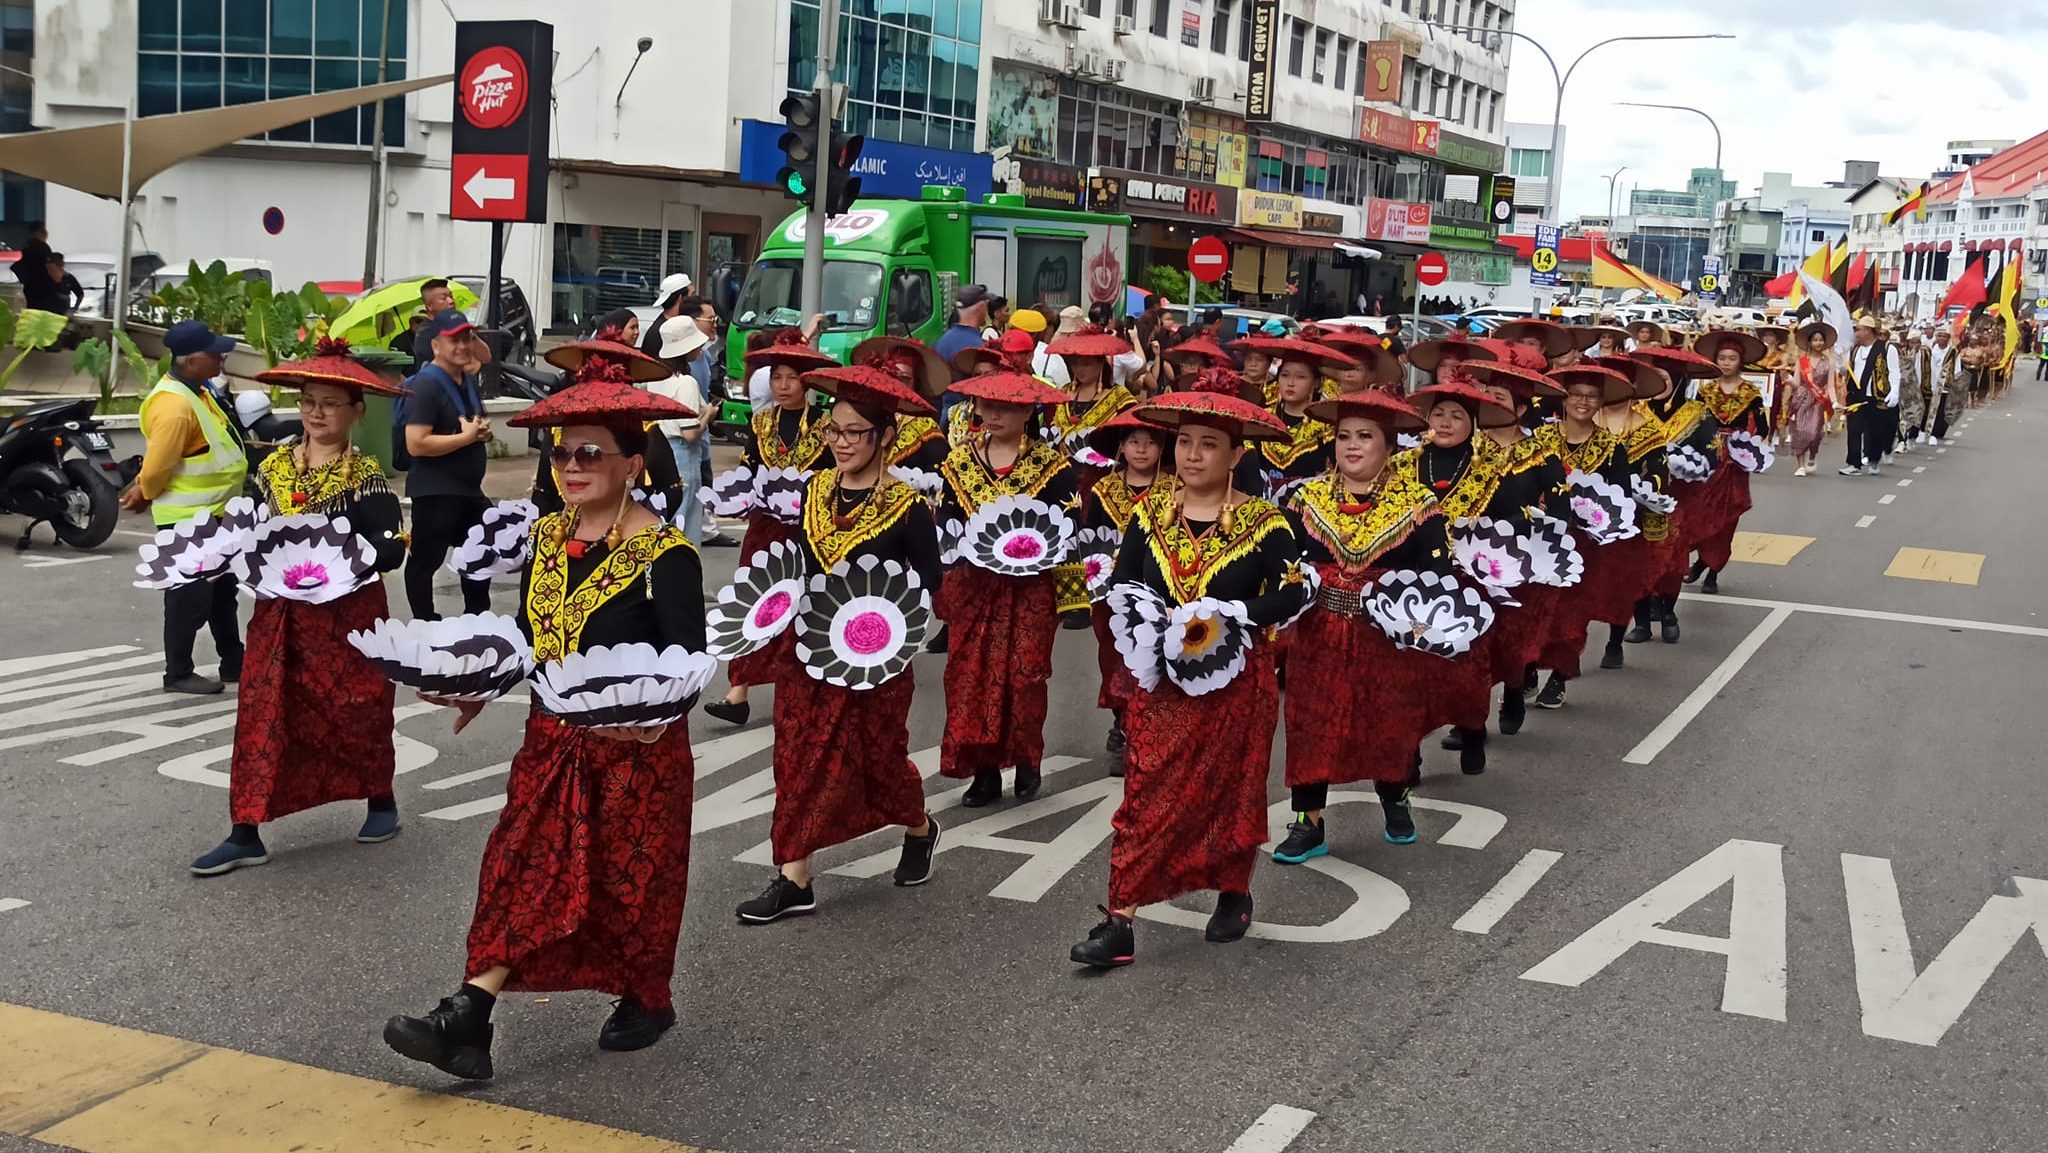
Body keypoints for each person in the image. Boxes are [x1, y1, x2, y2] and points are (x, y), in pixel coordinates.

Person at [384, 359, 706, 1079]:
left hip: (636, 756)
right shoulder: (548, 537)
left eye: (590, 452)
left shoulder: (667, 556)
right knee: (517, 868)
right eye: (560, 452)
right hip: (551, 742)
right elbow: (536, 636)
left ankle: (648, 997)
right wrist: (481, 683)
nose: (570, 466)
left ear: (632, 462)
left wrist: (647, 719)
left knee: (628, 887)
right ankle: (468, 1015)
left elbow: (688, 661)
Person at [1071, 386, 1310, 968]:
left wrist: (1237, 614)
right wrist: (1147, 624)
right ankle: (1120, 917)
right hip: (1161, 685)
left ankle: (1233, 891)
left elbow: (1297, 591)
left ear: (1235, 457)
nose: (1193, 456)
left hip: (1236, 684)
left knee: (1231, 790)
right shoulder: (1148, 513)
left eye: (1210, 445)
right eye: (1184, 443)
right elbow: (1126, 585)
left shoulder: (1267, 522)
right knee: (1146, 791)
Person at [733, 363, 944, 924]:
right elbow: (800, 561)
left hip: (877, 660)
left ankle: (919, 827)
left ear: (885, 438)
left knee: (879, 761)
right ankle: (794, 876)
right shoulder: (815, 490)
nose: (842, 443)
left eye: (856, 433)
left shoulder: (910, 508)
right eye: (835, 431)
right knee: (797, 755)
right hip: (808, 650)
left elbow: (929, 587)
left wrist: (884, 623)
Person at [188, 343, 408, 875]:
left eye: (331, 403)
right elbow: (255, 531)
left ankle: (380, 798)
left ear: (356, 411)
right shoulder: (274, 466)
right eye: (309, 400)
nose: (316, 412)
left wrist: (345, 558)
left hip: (345, 613)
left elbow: (391, 549)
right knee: (263, 712)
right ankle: (246, 831)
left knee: (357, 707)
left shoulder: (366, 476)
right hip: (279, 613)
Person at [1271, 390, 1450, 862]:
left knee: (1386, 721)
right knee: (1310, 723)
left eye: (1365, 436)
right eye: (1344, 436)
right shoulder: (1305, 499)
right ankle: (1308, 822)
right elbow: (1284, 564)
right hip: (1318, 634)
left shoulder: (1419, 505)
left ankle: (1395, 796)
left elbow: (1438, 578)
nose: (1352, 446)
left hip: (1386, 638)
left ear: (1388, 446)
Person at [936, 371, 1077, 806]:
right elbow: (946, 528)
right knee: (969, 678)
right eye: (987, 405)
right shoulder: (958, 463)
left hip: (1030, 591)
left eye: (1006, 407)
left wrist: (1072, 600)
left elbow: (1068, 533)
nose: (993, 414)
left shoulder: (1054, 468)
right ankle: (983, 770)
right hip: (975, 588)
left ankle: (1027, 760)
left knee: (1025, 677)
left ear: (1028, 411)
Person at [704, 330, 838, 726]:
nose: (782, 386)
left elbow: (835, 473)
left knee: (805, 605)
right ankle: (738, 691)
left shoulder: (828, 425)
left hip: (809, 528)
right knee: (753, 601)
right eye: (776, 377)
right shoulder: (761, 422)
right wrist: (735, 496)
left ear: (807, 381)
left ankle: (801, 683)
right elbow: (748, 469)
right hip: (765, 528)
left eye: (791, 378)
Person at [122, 320, 248, 694]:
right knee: (188, 597)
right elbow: (158, 465)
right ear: (191, 360)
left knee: (223, 593)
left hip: (218, 514)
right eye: (214, 353)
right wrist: (144, 491)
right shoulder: (176, 406)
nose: (221, 357)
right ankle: (177, 672)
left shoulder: (199, 391)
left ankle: (233, 661)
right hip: (188, 520)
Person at [1080, 410, 1175, 772]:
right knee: (1115, 660)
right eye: (1134, 442)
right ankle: (1123, 722)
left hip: (1158, 589)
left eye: (1151, 443)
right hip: (1109, 591)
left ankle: (1142, 731)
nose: (1142, 450)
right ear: (1121, 447)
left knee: (1152, 661)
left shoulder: (1173, 491)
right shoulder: (1104, 490)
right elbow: (1089, 537)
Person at [402, 311, 494, 621]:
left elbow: (466, 427)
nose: (462, 345)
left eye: (466, 338)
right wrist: (467, 438)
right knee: (426, 561)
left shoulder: (466, 379)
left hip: (467, 489)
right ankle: (424, 621)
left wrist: (480, 433)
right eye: (453, 339)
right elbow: (416, 442)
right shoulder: (426, 385)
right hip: (435, 489)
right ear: (436, 345)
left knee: (482, 547)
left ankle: (477, 616)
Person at [653, 315, 712, 545]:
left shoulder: (655, 379)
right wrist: (708, 414)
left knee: (665, 522)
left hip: (660, 453)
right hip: (683, 457)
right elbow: (690, 433)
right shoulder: (686, 382)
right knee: (686, 525)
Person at [1839, 315, 1900, 477]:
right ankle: (1854, 463)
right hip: (1856, 397)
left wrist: (1894, 391)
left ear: (1868, 331)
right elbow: (1847, 370)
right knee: (1854, 430)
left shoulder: (1887, 348)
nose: (1856, 333)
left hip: (1876, 397)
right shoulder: (1855, 349)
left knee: (1876, 431)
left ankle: (1874, 459)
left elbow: (1894, 372)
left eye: (1858, 330)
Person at [936, 284, 994, 418]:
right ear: (980, 307)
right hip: (967, 419)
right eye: (986, 304)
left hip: (942, 418)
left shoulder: (941, 342)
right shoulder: (979, 346)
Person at [1788, 324, 1835, 476]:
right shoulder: (1801, 361)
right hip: (1801, 398)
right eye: (1815, 340)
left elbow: (1831, 386)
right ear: (1809, 342)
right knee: (1800, 431)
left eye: (1821, 340)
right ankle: (1800, 465)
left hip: (1818, 400)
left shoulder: (1829, 362)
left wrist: (1834, 402)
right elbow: (1796, 383)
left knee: (1814, 433)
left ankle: (1813, 455)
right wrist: (1787, 380)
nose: (1818, 343)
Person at [639, 272, 694, 360]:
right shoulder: (660, 332)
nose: (695, 299)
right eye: (692, 295)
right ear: (681, 298)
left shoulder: (680, 324)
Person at [410, 278, 461, 369]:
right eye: (444, 298)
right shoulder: (426, 333)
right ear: (429, 306)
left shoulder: (455, 325)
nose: (451, 301)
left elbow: (485, 357)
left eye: (451, 296)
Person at [1928, 326, 1963, 443]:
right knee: (1931, 408)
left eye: (1945, 336)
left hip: (1946, 386)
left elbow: (1957, 370)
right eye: (1940, 336)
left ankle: (1937, 432)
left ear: (1948, 338)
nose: (1942, 338)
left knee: (1942, 409)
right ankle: (1929, 431)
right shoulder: (1931, 351)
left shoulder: (1953, 352)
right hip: (1932, 384)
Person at [12, 220, 52, 311]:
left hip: (30, 285)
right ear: (40, 231)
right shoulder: (41, 246)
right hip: (41, 286)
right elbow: (48, 266)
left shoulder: (28, 245)